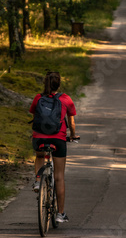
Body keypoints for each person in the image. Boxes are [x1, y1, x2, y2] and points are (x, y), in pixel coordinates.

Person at [29, 71, 79, 223]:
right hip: (58, 140)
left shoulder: (38, 98)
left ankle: (38, 181)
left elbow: (34, 115)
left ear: (45, 83)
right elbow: (71, 123)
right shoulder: (66, 99)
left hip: (39, 138)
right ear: (59, 84)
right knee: (59, 177)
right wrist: (72, 135)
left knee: (39, 156)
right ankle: (60, 214)